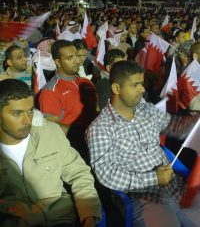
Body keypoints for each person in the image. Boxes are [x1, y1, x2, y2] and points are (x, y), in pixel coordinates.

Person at [87, 60, 199, 227]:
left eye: (142, 83)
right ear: (116, 88)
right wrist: (153, 178)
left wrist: (196, 120)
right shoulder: (100, 128)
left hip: (174, 187)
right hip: (142, 197)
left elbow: (174, 126)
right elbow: (107, 173)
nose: (143, 89)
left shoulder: (145, 109)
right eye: (136, 85)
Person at [0, 79, 101, 227]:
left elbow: (79, 174)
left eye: (30, 111)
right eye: (17, 114)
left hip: (60, 220)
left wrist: (89, 216)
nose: (27, 120)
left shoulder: (50, 133)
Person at [39, 40, 98, 161]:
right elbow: (52, 127)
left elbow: (97, 110)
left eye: (76, 56)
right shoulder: (50, 91)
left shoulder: (86, 83)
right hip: (74, 151)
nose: (77, 60)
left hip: (98, 144)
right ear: (58, 62)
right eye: (70, 58)